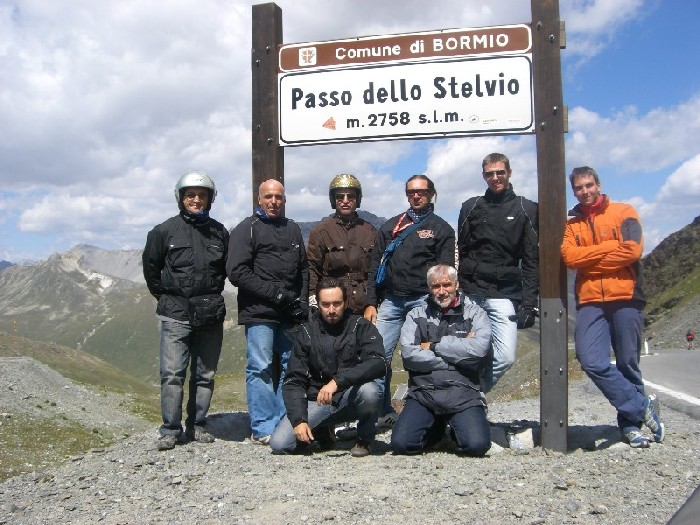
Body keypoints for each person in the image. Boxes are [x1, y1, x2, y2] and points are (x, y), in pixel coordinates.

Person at [561, 166, 664, 448]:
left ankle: (630, 427)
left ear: (598, 184)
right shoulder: (571, 225)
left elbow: (632, 249)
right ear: (574, 191)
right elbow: (570, 257)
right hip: (591, 301)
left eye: (589, 185)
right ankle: (642, 407)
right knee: (590, 359)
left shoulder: (624, 211)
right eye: (579, 188)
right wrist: (610, 249)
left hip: (627, 296)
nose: (585, 192)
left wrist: (590, 262)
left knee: (628, 362)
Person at [143, 170, 229, 451]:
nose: (196, 199)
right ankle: (170, 428)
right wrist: (168, 296)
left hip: (210, 313)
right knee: (172, 374)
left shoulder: (220, 232)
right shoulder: (163, 231)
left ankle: (198, 424)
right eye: (190, 195)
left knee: (205, 374)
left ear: (210, 199)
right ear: (180, 198)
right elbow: (151, 271)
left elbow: (225, 271)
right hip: (175, 313)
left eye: (202, 195)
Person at [364, 175, 455, 423]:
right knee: (377, 356)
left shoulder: (442, 228)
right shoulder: (391, 227)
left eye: (421, 191)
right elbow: (375, 265)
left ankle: (425, 415)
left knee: (423, 357)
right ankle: (380, 412)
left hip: (424, 302)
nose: (416, 196)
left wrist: (442, 306)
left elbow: (446, 272)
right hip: (391, 302)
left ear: (431, 193)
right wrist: (371, 302)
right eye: (411, 192)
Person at [227, 179, 309, 445]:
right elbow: (237, 272)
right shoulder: (246, 229)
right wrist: (275, 294)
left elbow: (304, 270)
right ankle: (263, 426)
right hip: (259, 311)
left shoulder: (293, 228)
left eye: (279, 197)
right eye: (269, 197)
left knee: (292, 366)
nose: (274, 202)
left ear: (284, 200)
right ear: (259, 199)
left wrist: (301, 302)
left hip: (290, 312)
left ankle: (285, 420)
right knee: (260, 367)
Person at [269, 278, 386, 457]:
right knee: (280, 444)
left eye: (337, 304)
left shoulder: (361, 326)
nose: (331, 310)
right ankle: (322, 431)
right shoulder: (307, 332)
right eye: (326, 304)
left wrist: (338, 382)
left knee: (370, 391)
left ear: (345, 303)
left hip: (351, 398)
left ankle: (364, 440)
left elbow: (378, 363)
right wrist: (299, 420)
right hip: (319, 401)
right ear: (318, 303)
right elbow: (294, 380)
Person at [457, 152, 539, 392]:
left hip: (504, 295)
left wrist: (529, 304)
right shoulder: (470, 207)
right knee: (467, 354)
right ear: (483, 176)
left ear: (509, 173)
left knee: (505, 357)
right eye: (489, 173)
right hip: (471, 294)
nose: (495, 178)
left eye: (500, 172)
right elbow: (462, 251)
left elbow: (532, 260)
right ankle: (467, 409)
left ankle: (471, 395)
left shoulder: (527, 208)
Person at [391, 264, 491, 456]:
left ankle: (455, 430)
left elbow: (478, 352)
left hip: (463, 394)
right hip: (424, 394)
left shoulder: (476, 314)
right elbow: (410, 356)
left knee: (476, 446)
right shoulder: (416, 315)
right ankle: (436, 431)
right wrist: (458, 357)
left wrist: (434, 345)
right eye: (436, 286)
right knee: (401, 444)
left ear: (457, 284)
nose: (442, 291)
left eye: (447, 285)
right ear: (429, 288)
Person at [307, 174, 377, 314]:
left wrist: (372, 302)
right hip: (332, 306)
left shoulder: (370, 231)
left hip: (363, 304)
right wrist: (313, 299)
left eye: (350, 196)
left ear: (357, 199)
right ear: (334, 200)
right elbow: (312, 268)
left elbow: (376, 271)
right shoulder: (321, 231)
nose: (345, 201)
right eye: (340, 197)